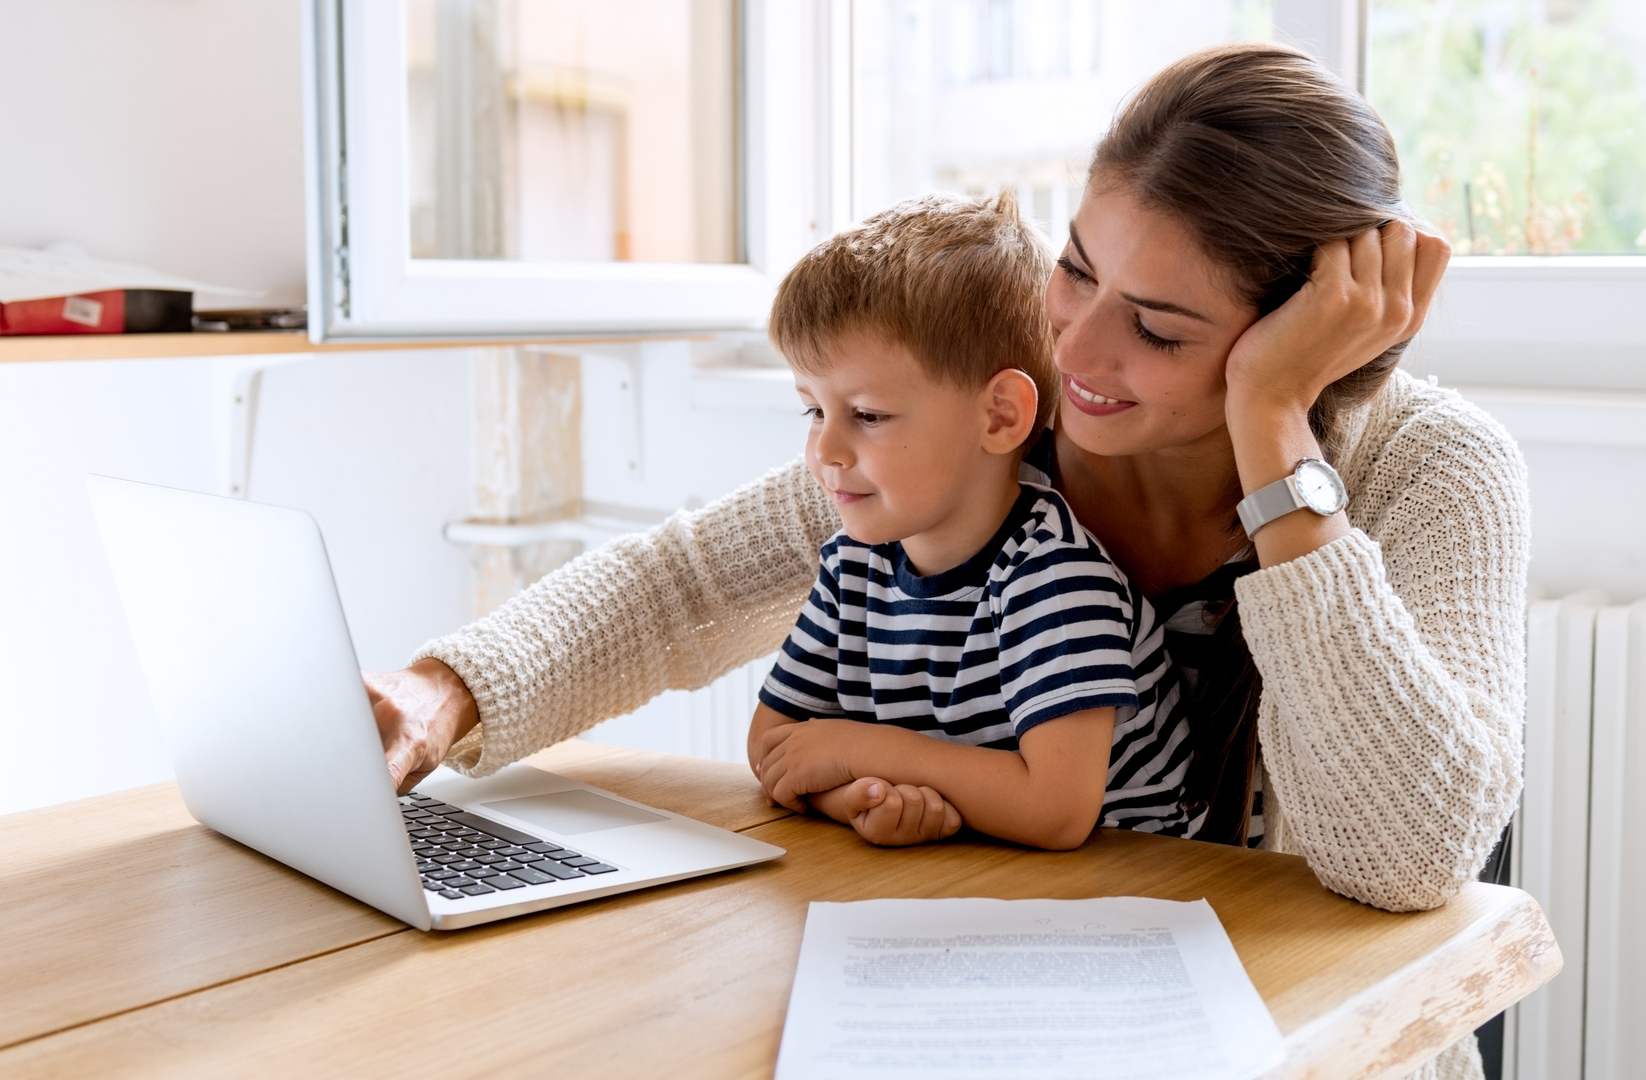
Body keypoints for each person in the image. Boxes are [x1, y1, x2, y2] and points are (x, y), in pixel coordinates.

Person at [365, 42, 1526, 1079]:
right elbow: (688, 586)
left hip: (1306, 1044)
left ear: (1304, 338)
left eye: (1160, 330)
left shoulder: (1433, 472)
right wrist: (439, 696)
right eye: (1076, 270)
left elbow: (1406, 856)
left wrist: (1275, 428)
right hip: (1011, 1010)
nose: (1078, 346)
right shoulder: (1005, 418)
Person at [745, 191, 1194, 850]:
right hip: (977, 885)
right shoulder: (853, 567)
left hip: (1125, 901)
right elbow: (777, 746)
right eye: (813, 410)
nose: (825, 451)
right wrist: (857, 795)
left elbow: (1056, 811)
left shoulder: (1055, 580)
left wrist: (861, 749)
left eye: (867, 415)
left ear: (1000, 416)